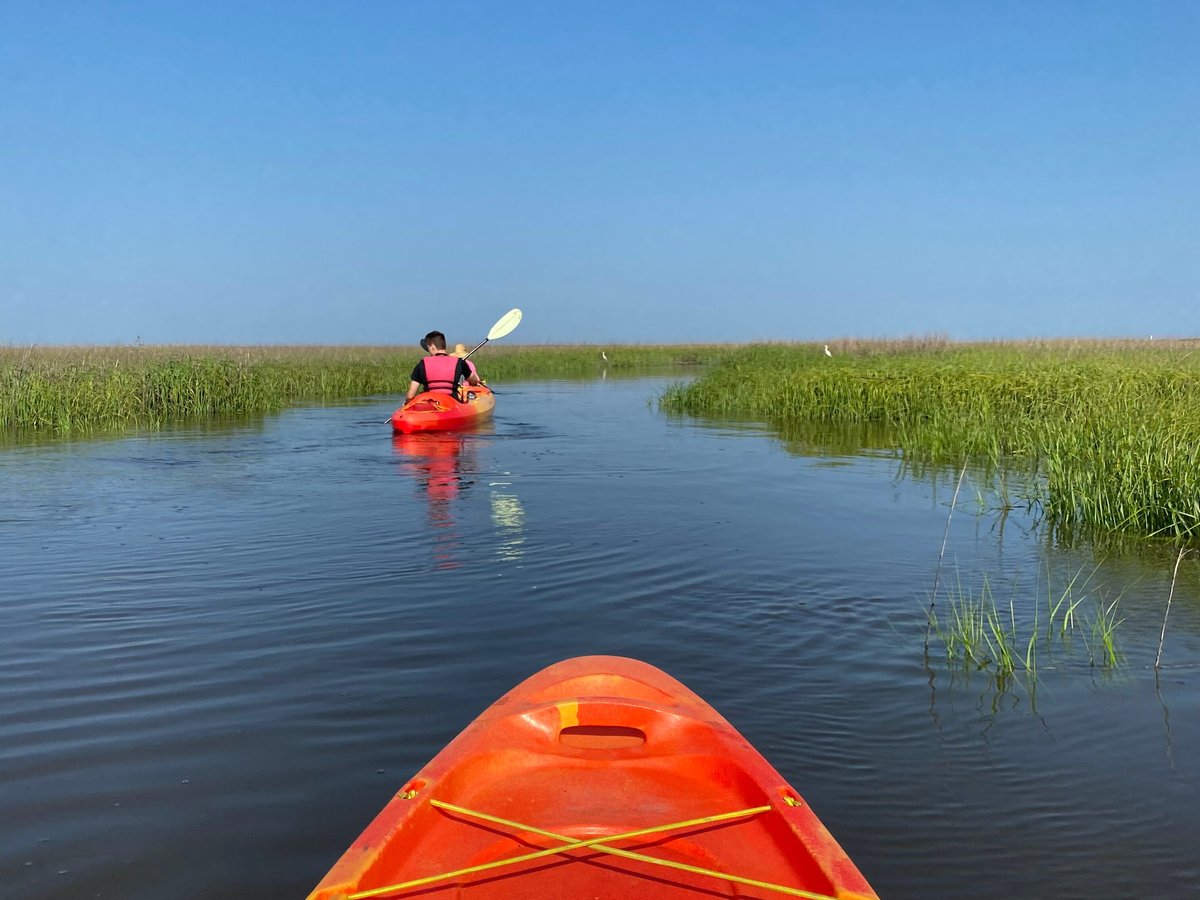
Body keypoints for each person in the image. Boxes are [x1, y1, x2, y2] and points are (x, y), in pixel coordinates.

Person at [407, 331, 481, 401]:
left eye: (428, 347)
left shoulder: (422, 364)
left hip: (429, 402)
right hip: (452, 402)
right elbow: (474, 380)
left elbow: (410, 396)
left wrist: (407, 405)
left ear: (432, 347)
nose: (428, 351)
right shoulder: (459, 362)